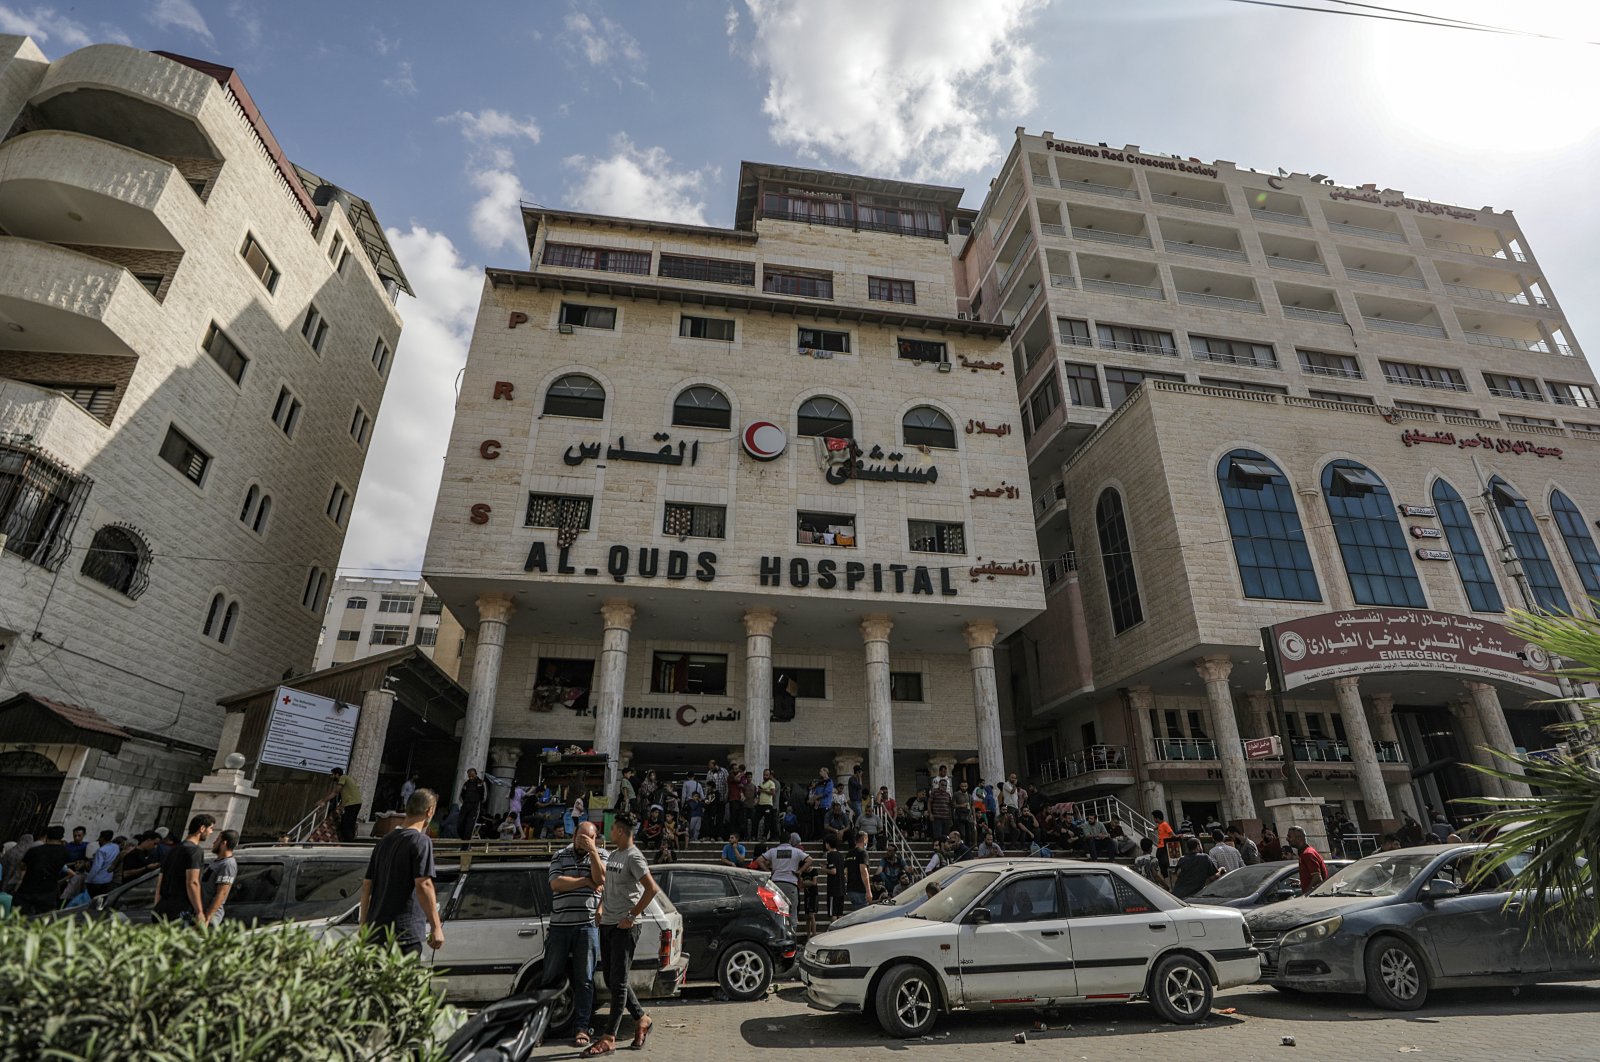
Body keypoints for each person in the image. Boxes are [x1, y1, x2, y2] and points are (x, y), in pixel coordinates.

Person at [588, 813, 658, 1056]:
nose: (608, 832)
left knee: (617, 982)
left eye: (612, 829)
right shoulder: (616, 855)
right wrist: (601, 907)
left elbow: (652, 889)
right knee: (611, 978)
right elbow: (608, 885)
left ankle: (609, 1036)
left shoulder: (634, 857)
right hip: (607, 923)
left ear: (620, 830)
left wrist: (631, 916)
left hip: (624, 928)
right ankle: (641, 1018)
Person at [360, 788, 444, 955]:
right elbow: (424, 884)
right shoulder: (420, 841)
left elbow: (367, 886)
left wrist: (364, 926)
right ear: (430, 811)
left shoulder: (384, 841)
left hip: (376, 933)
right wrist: (436, 927)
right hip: (404, 934)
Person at [546, 819, 607, 1048]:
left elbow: (601, 879)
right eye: (580, 837)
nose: (583, 841)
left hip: (587, 926)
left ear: (594, 839)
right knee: (551, 977)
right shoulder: (560, 855)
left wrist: (592, 852)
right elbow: (556, 883)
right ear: (573, 837)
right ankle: (541, 1026)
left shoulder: (601, 855)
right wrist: (585, 882)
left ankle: (582, 1027)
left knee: (585, 979)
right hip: (560, 925)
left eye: (588, 838)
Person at [152, 815, 215, 924]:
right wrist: (199, 911)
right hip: (181, 910)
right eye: (210, 828)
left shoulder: (172, 850)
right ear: (202, 829)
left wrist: (156, 906)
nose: (211, 832)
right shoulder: (195, 851)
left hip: (163, 907)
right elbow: (192, 882)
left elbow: (160, 880)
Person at [759, 833, 811, 933]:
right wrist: (800, 871)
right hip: (790, 883)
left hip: (775, 884)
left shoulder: (773, 851)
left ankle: (777, 935)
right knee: (792, 911)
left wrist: (768, 871)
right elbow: (809, 860)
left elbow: (759, 860)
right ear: (790, 840)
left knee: (776, 911)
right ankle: (792, 937)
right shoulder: (796, 851)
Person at [14, 825, 71, 916]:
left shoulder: (34, 850)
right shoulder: (65, 852)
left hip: (28, 888)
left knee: (18, 916)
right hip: (48, 891)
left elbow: (22, 866)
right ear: (61, 837)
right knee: (42, 918)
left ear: (47, 836)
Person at [200, 830, 239, 927]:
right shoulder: (217, 862)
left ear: (224, 843)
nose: (213, 843)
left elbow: (222, 893)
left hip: (209, 920)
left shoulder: (228, 864)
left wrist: (208, 917)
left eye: (217, 840)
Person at [323, 767, 363, 843]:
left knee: (346, 824)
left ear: (337, 774)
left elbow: (335, 792)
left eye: (332, 775)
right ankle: (350, 840)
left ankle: (348, 842)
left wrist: (323, 801)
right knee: (350, 823)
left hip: (352, 804)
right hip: (355, 803)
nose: (331, 777)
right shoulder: (347, 779)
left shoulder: (343, 777)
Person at [1288, 827, 1328, 895]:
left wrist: (1306, 894)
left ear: (1299, 838)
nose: (1287, 839)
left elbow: (1317, 878)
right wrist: (1302, 883)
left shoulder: (1307, 854)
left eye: (1289, 836)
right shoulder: (1306, 852)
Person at [84, 831, 120, 898]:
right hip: (108, 879)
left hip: (97, 881)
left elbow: (96, 868)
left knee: (92, 899)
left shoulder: (101, 850)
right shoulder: (116, 847)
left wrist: (88, 880)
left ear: (102, 838)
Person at [843, 831, 872, 909]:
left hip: (850, 889)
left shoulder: (849, 853)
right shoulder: (863, 853)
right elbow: (863, 871)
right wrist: (868, 891)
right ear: (864, 839)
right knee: (863, 916)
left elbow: (845, 872)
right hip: (860, 890)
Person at [457, 769, 487, 840]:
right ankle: (463, 839)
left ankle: (465, 846)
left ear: (476, 774)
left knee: (469, 827)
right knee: (460, 824)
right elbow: (461, 795)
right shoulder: (466, 783)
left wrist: (477, 802)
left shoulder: (481, 783)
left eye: (472, 776)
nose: (471, 778)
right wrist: (465, 802)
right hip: (465, 806)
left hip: (475, 807)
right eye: (469, 776)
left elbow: (484, 797)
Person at [822, 836, 846, 919]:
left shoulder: (830, 855)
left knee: (833, 913)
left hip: (833, 888)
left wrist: (824, 869)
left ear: (828, 844)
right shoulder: (840, 855)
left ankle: (834, 931)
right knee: (840, 913)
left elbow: (833, 871)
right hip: (841, 886)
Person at [927, 775, 953, 841]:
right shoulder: (934, 792)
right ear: (939, 785)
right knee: (937, 835)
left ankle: (944, 849)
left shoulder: (947, 794)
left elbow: (949, 806)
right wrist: (930, 814)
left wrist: (950, 817)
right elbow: (929, 802)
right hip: (937, 817)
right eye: (942, 785)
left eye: (945, 785)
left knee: (945, 835)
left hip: (946, 817)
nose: (944, 787)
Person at [755, 768, 778, 841]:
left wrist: (763, 790)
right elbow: (759, 793)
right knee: (755, 820)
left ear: (769, 775)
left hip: (768, 805)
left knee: (767, 822)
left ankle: (764, 836)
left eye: (767, 775)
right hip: (760, 804)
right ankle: (754, 836)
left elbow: (773, 793)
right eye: (764, 775)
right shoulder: (761, 783)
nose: (765, 776)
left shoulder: (771, 783)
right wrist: (758, 791)